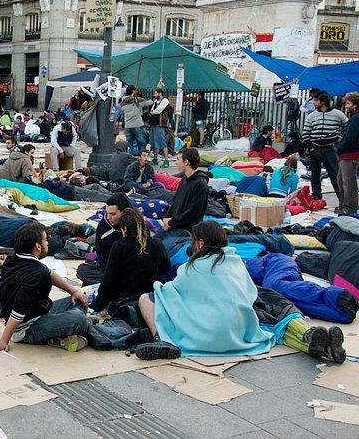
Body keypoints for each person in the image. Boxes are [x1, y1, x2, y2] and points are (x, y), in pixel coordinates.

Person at [135, 221, 273, 360]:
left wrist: (158, 286)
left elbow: (171, 294)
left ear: (200, 243)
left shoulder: (194, 267)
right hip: (240, 332)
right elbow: (251, 294)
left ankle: (161, 339)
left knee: (147, 298)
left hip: (211, 335)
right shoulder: (236, 262)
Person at [0, 222, 92, 353]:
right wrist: (4, 340)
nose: (48, 243)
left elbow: (49, 273)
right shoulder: (36, 273)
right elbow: (18, 310)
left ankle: (60, 332)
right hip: (26, 328)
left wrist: (74, 291)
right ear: (38, 246)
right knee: (80, 320)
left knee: (78, 300)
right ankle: (53, 336)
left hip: (39, 313)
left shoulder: (14, 257)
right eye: (45, 240)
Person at [92, 208, 170, 312]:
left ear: (124, 228)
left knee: (85, 270)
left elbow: (109, 279)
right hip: (150, 297)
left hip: (125, 300)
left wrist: (97, 306)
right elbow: (166, 266)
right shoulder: (157, 244)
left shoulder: (120, 245)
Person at [302, 90, 347, 203]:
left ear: (323, 101)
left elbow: (348, 126)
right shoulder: (312, 116)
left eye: (316, 100)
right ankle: (317, 198)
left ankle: (343, 201)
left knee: (335, 175)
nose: (313, 102)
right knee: (315, 175)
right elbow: (305, 133)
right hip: (315, 148)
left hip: (329, 148)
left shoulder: (338, 114)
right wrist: (310, 148)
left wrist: (341, 138)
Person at [76, 193, 130, 286]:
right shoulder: (104, 226)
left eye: (113, 214)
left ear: (124, 212)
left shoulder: (135, 225)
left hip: (129, 269)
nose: (109, 217)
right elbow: (101, 254)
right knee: (82, 269)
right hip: (108, 267)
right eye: (107, 213)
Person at [161, 147, 209, 238]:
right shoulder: (184, 180)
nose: (176, 162)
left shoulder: (200, 184)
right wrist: (166, 217)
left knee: (163, 245)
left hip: (187, 229)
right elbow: (175, 203)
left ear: (186, 162)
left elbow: (193, 213)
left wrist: (171, 222)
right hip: (175, 224)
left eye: (178, 159)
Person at [336, 92, 359, 214]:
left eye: (348, 103)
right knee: (341, 180)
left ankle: (350, 207)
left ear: (355, 105)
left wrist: (340, 147)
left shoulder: (356, 118)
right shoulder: (353, 117)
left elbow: (350, 137)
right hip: (347, 154)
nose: (346, 106)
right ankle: (344, 205)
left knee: (348, 182)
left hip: (350, 154)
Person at [120, 89, 152, 155]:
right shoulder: (136, 100)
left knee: (129, 144)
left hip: (127, 125)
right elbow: (150, 102)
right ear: (133, 91)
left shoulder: (123, 102)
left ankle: (130, 158)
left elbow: (122, 110)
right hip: (137, 124)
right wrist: (140, 97)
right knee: (141, 143)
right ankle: (142, 157)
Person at [149, 89, 171, 167]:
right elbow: (152, 110)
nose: (154, 94)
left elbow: (158, 110)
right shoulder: (156, 101)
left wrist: (153, 111)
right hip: (154, 124)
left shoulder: (165, 100)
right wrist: (153, 111)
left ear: (160, 93)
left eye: (155, 93)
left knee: (162, 142)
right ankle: (155, 159)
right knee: (153, 142)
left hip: (160, 124)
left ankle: (166, 160)